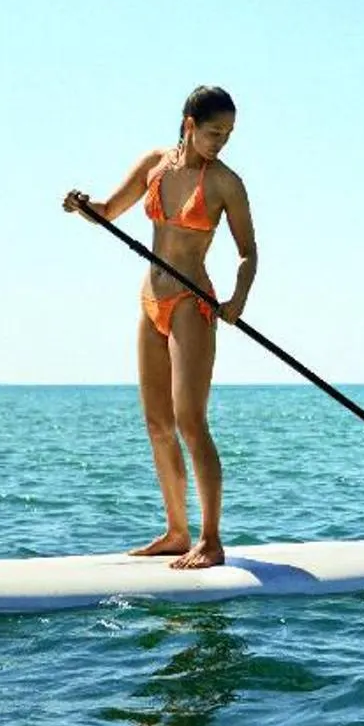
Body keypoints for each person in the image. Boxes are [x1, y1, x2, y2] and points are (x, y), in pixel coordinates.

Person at [63, 85, 258, 568]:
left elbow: (248, 253)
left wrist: (237, 301)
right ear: (189, 124)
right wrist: (83, 206)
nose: (221, 142)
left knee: (190, 421)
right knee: (158, 423)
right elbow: (108, 212)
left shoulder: (225, 183)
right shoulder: (155, 164)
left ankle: (210, 541)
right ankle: (176, 531)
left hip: (192, 304)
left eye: (228, 134)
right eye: (214, 132)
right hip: (151, 301)